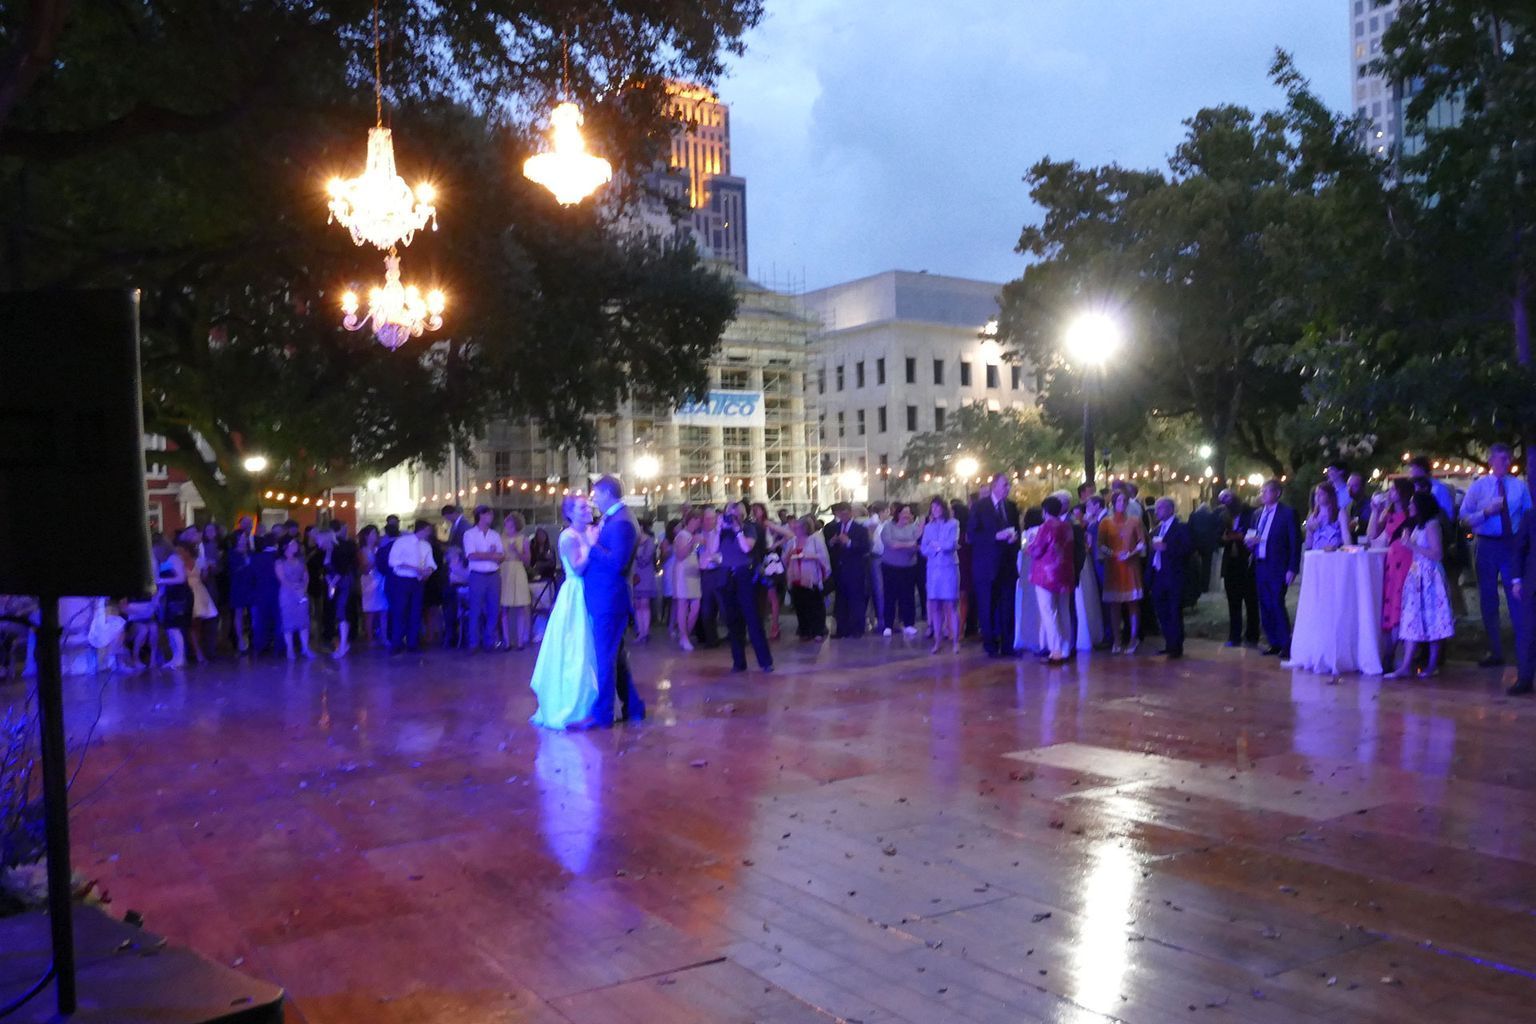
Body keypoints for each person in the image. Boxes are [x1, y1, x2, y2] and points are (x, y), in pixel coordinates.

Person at [528, 495, 601, 729]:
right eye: (582, 507)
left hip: (590, 589)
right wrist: (590, 545)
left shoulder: (590, 531)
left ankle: (593, 704)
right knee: (575, 645)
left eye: (588, 506)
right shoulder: (568, 536)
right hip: (575, 592)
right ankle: (573, 707)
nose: (588, 509)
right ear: (570, 513)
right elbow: (578, 567)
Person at [1460, 443, 1530, 667]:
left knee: (1516, 596)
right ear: (1491, 462)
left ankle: (1524, 651)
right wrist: (1485, 512)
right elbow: (1463, 517)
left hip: (1511, 545)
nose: (1507, 463)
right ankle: (1495, 650)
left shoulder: (1519, 487)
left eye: (1509, 459)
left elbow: (1529, 516)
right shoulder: (1479, 487)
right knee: (1488, 598)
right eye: (1502, 459)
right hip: (1487, 545)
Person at [584, 475, 646, 724]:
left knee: (605, 658)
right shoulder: (615, 518)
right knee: (616, 658)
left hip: (610, 600)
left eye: (596, 494)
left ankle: (602, 715)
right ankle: (634, 707)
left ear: (607, 493)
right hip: (606, 598)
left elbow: (618, 563)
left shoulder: (622, 522)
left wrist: (592, 546)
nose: (593, 498)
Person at [1387, 492, 1455, 679]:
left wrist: (1411, 545)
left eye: (1412, 504)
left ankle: (1432, 664)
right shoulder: (1418, 525)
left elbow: (1437, 553)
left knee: (1433, 618)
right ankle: (1406, 664)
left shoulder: (1432, 525)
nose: (1409, 507)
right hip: (1417, 575)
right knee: (1412, 617)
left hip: (1430, 575)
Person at [716, 501, 773, 673]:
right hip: (727, 577)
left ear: (742, 514)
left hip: (745, 576)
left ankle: (765, 662)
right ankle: (738, 662)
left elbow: (746, 547)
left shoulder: (749, 527)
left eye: (735, 513)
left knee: (752, 620)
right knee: (733, 622)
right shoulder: (722, 531)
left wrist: (737, 529)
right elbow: (713, 549)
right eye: (729, 512)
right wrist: (719, 528)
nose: (732, 516)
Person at [1247, 479, 1301, 658]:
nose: (1262, 494)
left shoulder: (1287, 513)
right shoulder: (1257, 514)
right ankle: (1274, 642)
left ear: (1277, 493)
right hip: (1260, 563)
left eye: (1266, 491)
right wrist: (1250, 543)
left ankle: (1286, 643)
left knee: (1277, 602)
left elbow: (1294, 542)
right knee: (1265, 605)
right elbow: (1253, 535)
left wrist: (1292, 568)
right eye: (1261, 491)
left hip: (1278, 565)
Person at [969, 473, 1021, 657]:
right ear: (994, 486)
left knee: (1008, 606)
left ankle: (1008, 644)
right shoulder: (979, 507)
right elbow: (971, 536)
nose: (1008, 488)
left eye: (1009, 485)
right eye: (1005, 485)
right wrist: (994, 537)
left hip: (1007, 566)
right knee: (987, 606)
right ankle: (990, 644)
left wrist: (1014, 539)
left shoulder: (1012, 507)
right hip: (986, 566)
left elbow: (1017, 532)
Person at [1028, 495, 1075, 665]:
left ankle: (1055, 650)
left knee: (1048, 612)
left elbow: (1036, 550)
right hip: (1065, 574)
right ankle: (1066, 648)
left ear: (1045, 511)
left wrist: (1029, 544)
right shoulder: (1067, 526)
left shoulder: (1046, 527)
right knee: (1064, 612)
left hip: (1046, 576)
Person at [1368, 478, 1415, 645]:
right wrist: (1375, 511)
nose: (1390, 493)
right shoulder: (1388, 513)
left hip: (1406, 558)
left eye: (1394, 490)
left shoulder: (1411, 514)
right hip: (1392, 559)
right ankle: (1391, 645)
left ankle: (1405, 641)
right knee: (1391, 596)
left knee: (1403, 597)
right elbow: (1372, 535)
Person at [1099, 489, 1147, 655]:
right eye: (1118, 501)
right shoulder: (1105, 522)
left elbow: (1141, 543)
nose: (1122, 504)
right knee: (1115, 606)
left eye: (1124, 501)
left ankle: (1133, 638)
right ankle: (1117, 640)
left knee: (1132, 604)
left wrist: (1131, 553)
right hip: (1113, 567)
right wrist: (1113, 554)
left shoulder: (1135, 521)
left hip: (1130, 566)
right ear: (1113, 503)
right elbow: (1101, 545)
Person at [1147, 497, 1194, 658]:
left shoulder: (1181, 527)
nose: (1157, 511)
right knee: (1162, 610)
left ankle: (1176, 645)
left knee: (1174, 610)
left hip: (1174, 575)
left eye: (1161, 508)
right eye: (1157, 508)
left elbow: (1187, 549)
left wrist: (1167, 547)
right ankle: (1169, 642)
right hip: (1159, 575)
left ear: (1170, 510)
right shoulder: (1157, 529)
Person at [387, 519, 437, 653]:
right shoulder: (402, 542)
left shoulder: (426, 545)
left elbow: (430, 562)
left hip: (418, 581)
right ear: (423, 530)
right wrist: (414, 568)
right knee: (400, 611)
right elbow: (393, 561)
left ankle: (412, 642)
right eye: (428, 530)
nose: (429, 533)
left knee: (415, 612)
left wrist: (429, 570)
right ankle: (396, 642)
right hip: (403, 580)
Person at [1217, 490, 1259, 647]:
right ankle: (1234, 636)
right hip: (1231, 563)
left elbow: (1255, 532)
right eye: (1222, 499)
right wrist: (1225, 538)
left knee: (1251, 601)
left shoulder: (1251, 513)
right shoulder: (1223, 516)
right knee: (1233, 601)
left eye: (1227, 497)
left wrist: (1243, 537)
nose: (1225, 501)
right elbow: (1218, 537)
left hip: (1247, 561)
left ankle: (1252, 635)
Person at [919, 497, 960, 654]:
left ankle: (955, 640)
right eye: (932, 508)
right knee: (935, 605)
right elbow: (923, 548)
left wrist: (936, 545)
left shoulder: (953, 523)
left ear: (943, 508)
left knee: (951, 604)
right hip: (933, 569)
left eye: (937, 507)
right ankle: (937, 640)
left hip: (948, 568)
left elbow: (951, 544)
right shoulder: (928, 527)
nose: (935, 511)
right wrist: (936, 547)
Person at [462, 505, 504, 652]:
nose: (491, 518)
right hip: (477, 575)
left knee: (493, 609)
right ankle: (473, 643)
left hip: (493, 575)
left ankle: (489, 641)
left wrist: (486, 555)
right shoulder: (469, 534)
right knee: (475, 609)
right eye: (489, 515)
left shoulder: (495, 535)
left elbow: (501, 556)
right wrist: (491, 555)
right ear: (481, 516)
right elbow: (471, 555)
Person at [825, 503, 871, 639]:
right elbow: (830, 548)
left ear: (850, 513)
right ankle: (842, 629)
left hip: (854, 569)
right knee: (841, 600)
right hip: (840, 569)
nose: (843, 516)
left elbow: (865, 548)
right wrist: (832, 542)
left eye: (845, 513)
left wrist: (849, 542)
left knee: (856, 599)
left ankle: (857, 629)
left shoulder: (860, 529)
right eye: (841, 514)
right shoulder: (835, 528)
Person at [785, 516, 831, 641]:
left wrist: (810, 556)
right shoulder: (792, 541)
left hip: (811, 577)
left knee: (814, 604)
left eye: (798, 527)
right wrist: (789, 555)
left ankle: (818, 630)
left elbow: (823, 558)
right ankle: (804, 630)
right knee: (800, 605)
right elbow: (785, 559)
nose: (796, 530)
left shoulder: (815, 540)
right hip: (796, 577)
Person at [879, 504, 921, 638]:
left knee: (907, 596)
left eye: (909, 513)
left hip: (909, 567)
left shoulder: (913, 528)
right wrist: (909, 544)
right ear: (898, 514)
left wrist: (908, 544)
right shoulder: (888, 527)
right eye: (904, 513)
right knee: (890, 596)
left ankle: (909, 624)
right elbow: (891, 544)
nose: (907, 515)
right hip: (890, 567)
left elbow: (917, 545)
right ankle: (888, 625)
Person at [275, 537, 315, 659]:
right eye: (292, 543)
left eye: (295, 543)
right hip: (287, 594)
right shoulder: (280, 562)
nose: (295, 545)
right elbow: (282, 579)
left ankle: (305, 647)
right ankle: (290, 649)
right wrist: (295, 588)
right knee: (288, 620)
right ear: (285, 547)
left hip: (301, 592)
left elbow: (306, 576)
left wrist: (304, 588)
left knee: (303, 620)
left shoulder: (301, 560)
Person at [750, 504, 785, 641]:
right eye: (753, 510)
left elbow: (788, 534)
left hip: (768, 561)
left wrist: (774, 546)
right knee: (761, 596)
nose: (754, 512)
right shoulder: (752, 525)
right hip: (758, 560)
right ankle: (766, 625)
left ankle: (775, 626)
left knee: (771, 595)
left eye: (756, 509)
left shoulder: (767, 523)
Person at [157, 538, 192, 668]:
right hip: (171, 596)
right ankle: (175, 657)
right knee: (170, 628)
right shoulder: (165, 560)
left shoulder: (174, 559)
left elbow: (181, 578)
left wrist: (160, 581)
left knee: (174, 628)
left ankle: (180, 658)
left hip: (179, 596)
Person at [500, 513, 532, 650]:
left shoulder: (523, 539)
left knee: (520, 606)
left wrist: (516, 551)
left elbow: (528, 560)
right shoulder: (500, 539)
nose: (508, 526)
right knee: (504, 607)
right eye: (506, 523)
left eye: (511, 524)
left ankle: (520, 641)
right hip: (504, 570)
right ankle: (506, 641)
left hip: (518, 570)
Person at [670, 513, 703, 650]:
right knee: (683, 604)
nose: (697, 524)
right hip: (683, 573)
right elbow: (680, 555)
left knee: (696, 606)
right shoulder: (682, 535)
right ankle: (684, 637)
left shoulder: (695, 535)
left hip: (694, 573)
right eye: (696, 521)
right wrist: (692, 542)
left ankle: (685, 633)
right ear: (689, 521)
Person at [1014, 507, 1044, 655]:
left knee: (1028, 606)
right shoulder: (1041, 531)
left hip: (1027, 572)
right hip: (1039, 571)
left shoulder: (1026, 533)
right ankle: (1041, 639)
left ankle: (1031, 638)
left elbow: (1023, 550)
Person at [326, 523, 358, 659]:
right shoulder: (332, 548)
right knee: (339, 612)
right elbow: (328, 570)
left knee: (342, 611)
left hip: (343, 583)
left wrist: (332, 583)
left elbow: (342, 569)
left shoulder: (340, 548)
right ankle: (343, 644)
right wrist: (330, 583)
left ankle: (343, 644)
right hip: (338, 583)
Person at [183, 540, 217, 663]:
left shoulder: (199, 561)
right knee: (191, 625)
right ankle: (197, 652)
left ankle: (198, 651)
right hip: (187, 593)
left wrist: (206, 570)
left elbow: (204, 578)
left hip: (199, 592)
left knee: (198, 624)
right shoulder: (179, 562)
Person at [225, 529, 257, 654]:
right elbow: (233, 570)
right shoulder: (232, 553)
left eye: (245, 538)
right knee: (238, 613)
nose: (244, 540)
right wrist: (245, 564)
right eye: (241, 538)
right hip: (238, 586)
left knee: (252, 613)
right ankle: (240, 641)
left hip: (250, 586)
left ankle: (253, 638)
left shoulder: (250, 552)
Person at [358, 524, 388, 647]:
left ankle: (384, 637)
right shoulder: (362, 551)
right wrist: (375, 560)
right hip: (369, 580)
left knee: (384, 610)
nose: (375, 536)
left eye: (376, 533)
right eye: (372, 534)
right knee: (370, 611)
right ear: (366, 536)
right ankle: (370, 638)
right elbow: (364, 568)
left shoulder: (379, 548)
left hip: (381, 578)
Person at [630, 518, 659, 643]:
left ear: (641, 526)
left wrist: (635, 554)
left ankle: (645, 632)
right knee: (637, 604)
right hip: (635, 575)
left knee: (644, 604)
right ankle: (640, 631)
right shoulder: (633, 541)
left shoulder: (650, 541)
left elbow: (645, 559)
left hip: (646, 575)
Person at [1304, 483, 1353, 551]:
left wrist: (1344, 549)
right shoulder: (1313, 516)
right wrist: (1309, 529)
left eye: (1321, 494)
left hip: (1335, 554)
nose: (1318, 496)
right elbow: (1308, 544)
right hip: (1317, 555)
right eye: (1316, 494)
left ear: (1330, 496)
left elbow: (1346, 538)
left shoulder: (1340, 513)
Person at [1188, 500, 1222, 595]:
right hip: (1208, 544)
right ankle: (1205, 586)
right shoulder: (1212, 516)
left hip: (1196, 543)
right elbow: (1217, 528)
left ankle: (1196, 586)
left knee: (1196, 565)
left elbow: (1189, 528)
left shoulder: (1193, 515)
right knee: (1207, 566)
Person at [864, 502, 888, 634]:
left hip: (882, 558)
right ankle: (881, 620)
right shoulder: (872, 524)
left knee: (881, 589)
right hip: (876, 558)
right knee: (879, 589)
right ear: (882, 511)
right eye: (887, 511)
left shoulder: (882, 524)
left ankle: (882, 619)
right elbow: (874, 543)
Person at [1408, 456, 1455, 521]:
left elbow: (1448, 514)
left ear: (1421, 469)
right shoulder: (1415, 488)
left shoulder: (1439, 489)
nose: (1411, 472)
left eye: (1413, 468)